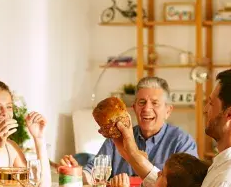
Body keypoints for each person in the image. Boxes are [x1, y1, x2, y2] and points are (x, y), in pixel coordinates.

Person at [61, 76, 197, 180]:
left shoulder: (182, 142)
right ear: (134, 108)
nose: (147, 109)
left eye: (155, 103)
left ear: (168, 111)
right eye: (142, 102)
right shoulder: (116, 138)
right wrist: (76, 173)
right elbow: (94, 174)